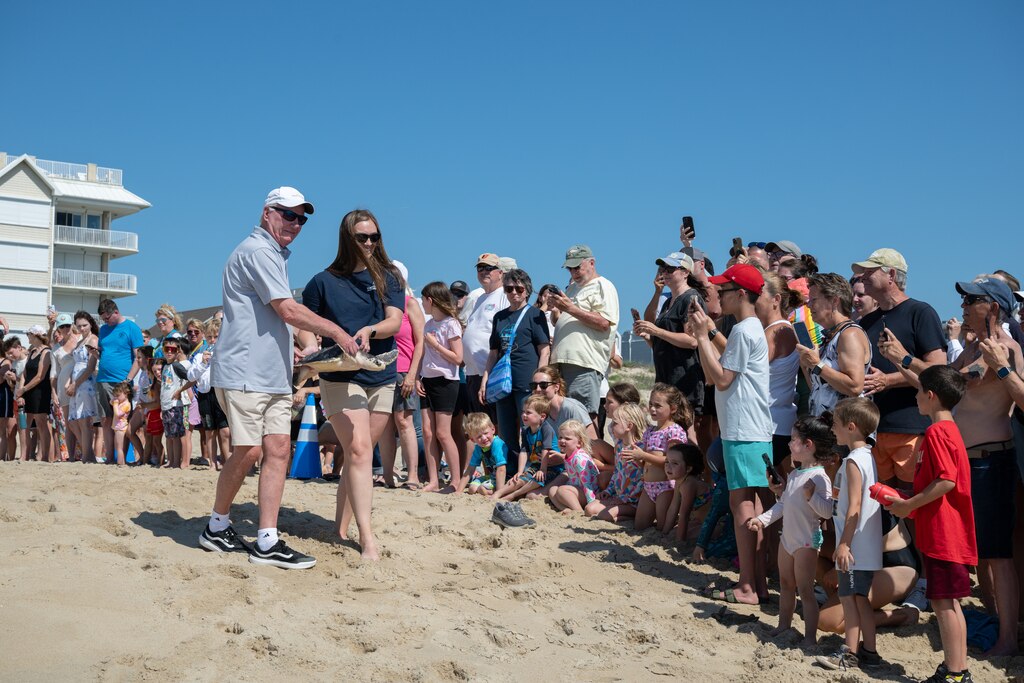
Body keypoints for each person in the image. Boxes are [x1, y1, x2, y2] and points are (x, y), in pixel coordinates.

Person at [202, 186, 359, 569]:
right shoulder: (258, 251)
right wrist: (337, 332)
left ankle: (267, 539)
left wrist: (300, 349)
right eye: (288, 214)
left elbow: (275, 317)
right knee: (251, 450)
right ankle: (217, 526)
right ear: (267, 212)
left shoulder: (271, 254)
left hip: (269, 373)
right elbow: (288, 309)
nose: (296, 223)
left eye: (301, 218)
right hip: (244, 371)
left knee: (277, 450)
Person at [882, 276, 1020, 657]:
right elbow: (938, 386)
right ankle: (995, 624)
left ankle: (1008, 638)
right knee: (978, 554)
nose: (961, 308)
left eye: (970, 300)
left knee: (997, 556)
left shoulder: (1003, 349)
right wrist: (900, 359)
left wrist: (906, 359)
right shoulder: (974, 348)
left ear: (992, 307)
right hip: (970, 462)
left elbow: (962, 384)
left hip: (991, 460)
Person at [298, 207, 404, 562]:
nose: (370, 243)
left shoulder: (389, 277)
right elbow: (305, 324)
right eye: (363, 237)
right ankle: (367, 539)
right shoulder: (322, 282)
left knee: (357, 454)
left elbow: (395, 322)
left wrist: (369, 331)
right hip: (339, 373)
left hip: (382, 373)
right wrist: (310, 347)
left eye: (375, 236)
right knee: (359, 450)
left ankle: (339, 528)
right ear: (348, 238)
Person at [887, 365, 977, 683]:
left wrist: (909, 504)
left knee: (943, 604)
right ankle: (955, 668)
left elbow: (946, 482)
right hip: (944, 531)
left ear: (931, 395)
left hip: (945, 533)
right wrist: (905, 497)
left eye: (918, 391)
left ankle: (955, 673)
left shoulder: (938, 432)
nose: (915, 397)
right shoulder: (946, 431)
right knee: (948, 603)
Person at [690, 264, 772, 606]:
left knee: (743, 507)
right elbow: (723, 372)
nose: (717, 295)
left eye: (723, 291)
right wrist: (707, 333)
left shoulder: (743, 330)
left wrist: (699, 336)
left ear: (741, 294)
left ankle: (748, 586)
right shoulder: (750, 328)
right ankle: (757, 584)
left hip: (742, 429)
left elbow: (721, 379)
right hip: (752, 429)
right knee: (753, 505)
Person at [852, 248, 946, 493]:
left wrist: (889, 379)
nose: (862, 277)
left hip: (910, 428)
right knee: (883, 510)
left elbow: (939, 371)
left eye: (869, 272)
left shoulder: (920, 313)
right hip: (873, 431)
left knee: (911, 506)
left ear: (891, 275)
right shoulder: (866, 322)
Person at [747, 414, 834, 648]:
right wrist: (762, 520)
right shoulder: (795, 474)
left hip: (807, 541)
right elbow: (784, 504)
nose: (789, 443)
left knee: (805, 590)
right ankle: (783, 625)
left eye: (794, 439)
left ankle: (809, 637)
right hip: (788, 539)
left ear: (808, 445)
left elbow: (826, 511)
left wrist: (811, 496)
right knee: (786, 584)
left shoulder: (820, 477)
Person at [816, 397, 883, 671]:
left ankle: (849, 652)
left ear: (852, 427)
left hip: (854, 546)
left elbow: (854, 506)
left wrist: (843, 544)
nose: (833, 430)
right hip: (865, 545)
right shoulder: (866, 456)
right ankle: (869, 651)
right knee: (859, 599)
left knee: (849, 599)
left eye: (836, 424)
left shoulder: (854, 461)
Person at [480, 269, 550, 453]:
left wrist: (540, 383)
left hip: (526, 380)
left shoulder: (535, 315)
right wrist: (485, 380)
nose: (514, 293)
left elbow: (544, 350)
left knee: (530, 428)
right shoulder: (499, 317)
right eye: (509, 289)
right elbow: (493, 353)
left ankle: (530, 470)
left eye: (518, 289)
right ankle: (510, 472)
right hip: (502, 382)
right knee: (505, 430)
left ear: (526, 290)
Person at [550, 244, 620, 422]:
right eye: (570, 268)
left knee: (583, 417)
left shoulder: (603, 286)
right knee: (567, 418)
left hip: (583, 363)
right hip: (563, 363)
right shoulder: (572, 289)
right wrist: (558, 312)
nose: (574, 272)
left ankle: (591, 450)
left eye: (577, 267)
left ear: (591, 263)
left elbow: (604, 322)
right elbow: (567, 321)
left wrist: (571, 309)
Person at [635, 251, 707, 418]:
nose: (664, 273)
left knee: (685, 432)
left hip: (684, 379)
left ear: (685, 272)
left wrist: (656, 331)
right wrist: (657, 293)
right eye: (663, 269)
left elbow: (692, 341)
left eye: (670, 269)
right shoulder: (668, 301)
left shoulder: (691, 298)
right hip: (667, 378)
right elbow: (655, 327)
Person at [378, 260, 425, 489]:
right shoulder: (379, 305)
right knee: (384, 424)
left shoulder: (410, 303)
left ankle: (412, 475)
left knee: (404, 422)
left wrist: (412, 374)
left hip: (403, 369)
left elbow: (420, 342)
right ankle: (387, 475)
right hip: (381, 369)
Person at [798, 273, 871, 417]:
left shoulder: (850, 334)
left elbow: (855, 386)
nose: (808, 305)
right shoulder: (832, 336)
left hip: (845, 432)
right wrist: (806, 365)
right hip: (826, 431)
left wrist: (816, 364)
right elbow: (820, 390)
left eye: (814, 300)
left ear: (834, 301)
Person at [623, 383, 693, 531]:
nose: (652, 409)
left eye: (658, 406)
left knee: (663, 528)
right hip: (648, 486)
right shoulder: (650, 430)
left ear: (673, 408)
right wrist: (639, 460)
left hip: (666, 486)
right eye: (650, 404)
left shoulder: (674, 431)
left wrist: (643, 455)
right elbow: (648, 463)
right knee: (639, 526)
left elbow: (672, 463)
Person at [417, 281, 464, 493]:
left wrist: (436, 344)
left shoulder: (451, 324)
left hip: (446, 381)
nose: (422, 303)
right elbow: (424, 355)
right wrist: (418, 376)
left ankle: (455, 481)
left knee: (443, 433)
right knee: (428, 432)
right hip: (427, 379)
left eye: (423, 298)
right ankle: (434, 480)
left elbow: (458, 358)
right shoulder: (428, 324)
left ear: (431, 300)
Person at [755, 271, 801, 468]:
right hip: (774, 422)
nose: (753, 300)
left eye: (758, 294)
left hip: (771, 424)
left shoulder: (776, 331)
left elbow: (748, 370)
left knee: (765, 491)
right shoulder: (778, 329)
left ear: (776, 299)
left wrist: (710, 335)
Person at [461, 253, 510, 421]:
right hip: (473, 372)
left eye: (489, 268)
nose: (484, 272)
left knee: (494, 423)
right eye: (480, 268)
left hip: (490, 371)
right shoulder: (480, 297)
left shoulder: (504, 295)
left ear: (501, 273)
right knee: (478, 424)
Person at [95, 299, 144, 462]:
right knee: (106, 419)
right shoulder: (103, 330)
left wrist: (128, 379)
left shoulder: (132, 328)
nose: (106, 322)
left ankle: (125, 457)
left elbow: (138, 357)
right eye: (103, 319)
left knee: (123, 420)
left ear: (116, 312)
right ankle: (110, 457)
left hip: (121, 381)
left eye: (107, 318)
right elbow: (105, 352)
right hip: (103, 379)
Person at [587, 402, 648, 522]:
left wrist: (625, 499)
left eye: (615, 423)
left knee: (604, 516)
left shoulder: (641, 448)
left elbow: (644, 479)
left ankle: (633, 516)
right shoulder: (619, 446)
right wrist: (608, 491)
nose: (611, 426)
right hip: (619, 497)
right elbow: (617, 472)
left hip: (634, 502)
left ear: (629, 426)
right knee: (589, 509)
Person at [493, 395, 560, 502]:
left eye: (528, 413)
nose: (524, 415)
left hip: (551, 467)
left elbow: (545, 450)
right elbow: (524, 451)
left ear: (542, 416)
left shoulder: (546, 429)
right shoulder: (526, 430)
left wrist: (542, 470)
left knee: (537, 479)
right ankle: (499, 493)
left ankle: (513, 495)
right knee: (520, 479)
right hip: (536, 465)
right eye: (523, 412)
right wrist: (520, 471)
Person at [15, 325, 53, 462]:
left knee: (41, 423)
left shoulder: (46, 352)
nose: (27, 336)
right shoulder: (32, 351)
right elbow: (25, 374)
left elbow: (40, 376)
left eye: (29, 334)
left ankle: (45, 456)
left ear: (37, 336)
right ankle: (24, 455)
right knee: (24, 424)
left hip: (40, 392)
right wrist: (21, 393)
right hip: (28, 392)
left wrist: (23, 389)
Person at [66, 313, 100, 463]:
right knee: (75, 420)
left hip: (86, 382)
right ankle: (89, 453)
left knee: (84, 421)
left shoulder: (93, 339)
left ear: (90, 324)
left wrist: (76, 383)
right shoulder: (81, 340)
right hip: (77, 381)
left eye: (84, 325)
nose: (81, 328)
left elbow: (90, 367)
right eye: (79, 325)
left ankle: (87, 456)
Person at [547, 419, 600, 515]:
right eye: (560, 437)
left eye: (567, 439)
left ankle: (578, 511)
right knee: (552, 490)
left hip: (590, 493)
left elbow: (587, 484)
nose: (562, 440)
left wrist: (591, 503)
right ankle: (569, 509)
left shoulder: (579, 459)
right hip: (577, 490)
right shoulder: (569, 455)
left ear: (579, 443)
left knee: (562, 490)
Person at [663, 442, 712, 542]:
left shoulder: (689, 484)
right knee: (672, 533)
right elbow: (673, 507)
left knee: (681, 535)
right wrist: (664, 532)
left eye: (675, 463)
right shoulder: (679, 481)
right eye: (667, 461)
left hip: (715, 524)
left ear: (689, 468)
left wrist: (679, 542)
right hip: (699, 521)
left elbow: (684, 514)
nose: (668, 466)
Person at [456, 412, 508, 495]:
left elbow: (501, 469)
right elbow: (469, 470)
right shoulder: (478, 448)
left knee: (481, 489)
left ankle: (495, 492)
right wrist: (458, 491)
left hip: (506, 476)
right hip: (492, 476)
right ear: (473, 440)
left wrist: (499, 493)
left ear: (493, 429)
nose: (484, 438)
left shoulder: (497, 443)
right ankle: (488, 491)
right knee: (472, 489)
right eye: (479, 437)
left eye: (485, 433)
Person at [160, 334, 190, 469]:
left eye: (173, 349)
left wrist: (180, 391)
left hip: (175, 405)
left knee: (177, 435)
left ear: (178, 351)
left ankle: (176, 462)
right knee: (169, 436)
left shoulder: (177, 366)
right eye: (167, 349)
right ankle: (171, 461)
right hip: (165, 405)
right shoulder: (164, 366)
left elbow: (191, 378)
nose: (170, 352)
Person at [109, 381, 132, 466]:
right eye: (115, 396)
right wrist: (114, 401)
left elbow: (118, 414)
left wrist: (115, 404)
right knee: (117, 447)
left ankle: (120, 463)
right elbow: (111, 402)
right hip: (117, 427)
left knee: (119, 448)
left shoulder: (126, 404)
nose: (116, 398)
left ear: (126, 394)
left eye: (118, 396)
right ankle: (121, 462)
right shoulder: (121, 403)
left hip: (121, 427)